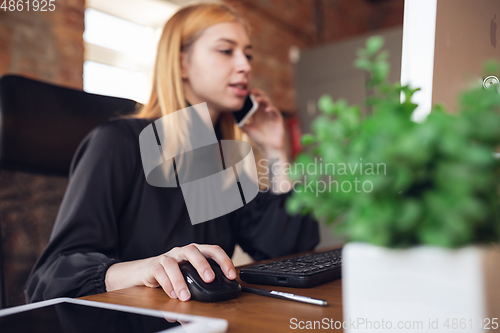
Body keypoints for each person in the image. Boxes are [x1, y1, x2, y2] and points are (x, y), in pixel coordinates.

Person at [25, 3, 319, 303]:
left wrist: (276, 149)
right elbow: (50, 276)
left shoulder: (221, 161)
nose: (245, 65)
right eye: (226, 51)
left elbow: (287, 250)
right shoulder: (117, 142)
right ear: (181, 64)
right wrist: (146, 269)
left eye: (248, 53)